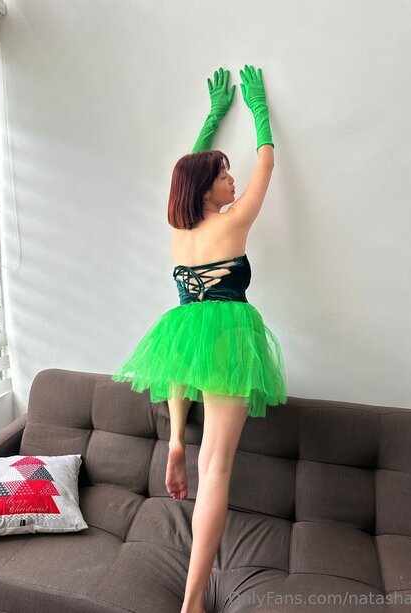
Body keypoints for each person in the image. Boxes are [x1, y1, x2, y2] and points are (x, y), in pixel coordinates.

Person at [112, 64, 287, 613]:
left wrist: (212, 117)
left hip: (184, 332)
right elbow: (267, 164)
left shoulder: (179, 233)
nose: (233, 181)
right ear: (207, 187)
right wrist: (259, 111)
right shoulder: (232, 223)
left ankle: (176, 441)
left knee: (185, 384)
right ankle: (191, 603)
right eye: (224, 174)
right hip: (228, 336)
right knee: (216, 470)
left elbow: (186, 171)